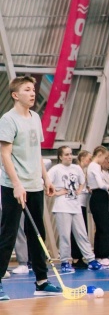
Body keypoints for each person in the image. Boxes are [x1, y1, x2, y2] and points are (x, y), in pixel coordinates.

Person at [0, 76, 62, 300]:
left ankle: (42, 282)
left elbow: (37, 152)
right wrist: (17, 185)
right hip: (14, 186)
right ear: (16, 95)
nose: (33, 93)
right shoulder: (8, 120)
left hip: (35, 185)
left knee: (37, 234)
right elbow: (5, 154)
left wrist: (46, 178)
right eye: (27, 90)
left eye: (33, 89)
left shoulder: (35, 117)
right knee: (8, 234)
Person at [48, 146, 101, 273]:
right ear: (60, 156)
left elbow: (82, 181)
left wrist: (79, 190)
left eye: (70, 154)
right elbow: (46, 183)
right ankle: (65, 261)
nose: (69, 157)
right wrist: (57, 192)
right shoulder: (55, 169)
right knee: (65, 235)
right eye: (66, 154)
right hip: (62, 207)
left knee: (82, 233)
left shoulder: (76, 168)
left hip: (75, 206)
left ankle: (91, 259)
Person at [87, 146, 109, 269]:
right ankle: (104, 257)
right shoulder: (95, 166)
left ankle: (100, 257)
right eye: (105, 157)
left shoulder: (93, 166)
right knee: (106, 229)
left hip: (100, 197)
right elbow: (100, 184)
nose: (105, 160)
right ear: (100, 154)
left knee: (102, 229)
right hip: (99, 196)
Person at [71, 150, 92, 269]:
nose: (90, 161)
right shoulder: (75, 169)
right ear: (83, 158)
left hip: (82, 203)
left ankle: (79, 256)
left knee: (83, 230)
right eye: (89, 159)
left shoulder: (83, 171)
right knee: (77, 230)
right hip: (77, 204)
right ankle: (76, 258)